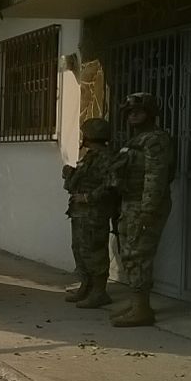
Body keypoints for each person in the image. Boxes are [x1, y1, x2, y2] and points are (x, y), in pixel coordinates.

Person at [109, 92, 177, 327]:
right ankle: (138, 302)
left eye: (138, 111)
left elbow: (155, 176)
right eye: (129, 112)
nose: (132, 115)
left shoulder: (155, 140)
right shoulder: (135, 141)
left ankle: (142, 308)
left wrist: (148, 209)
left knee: (139, 253)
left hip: (144, 204)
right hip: (130, 202)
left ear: (151, 113)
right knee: (128, 253)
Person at [63, 117, 118, 308]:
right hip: (80, 213)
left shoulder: (106, 157)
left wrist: (88, 198)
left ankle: (99, 292)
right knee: (79, 249)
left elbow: (111, 185)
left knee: (94, 250)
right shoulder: (90, 155)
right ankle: (86, 286)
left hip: (94, 213)